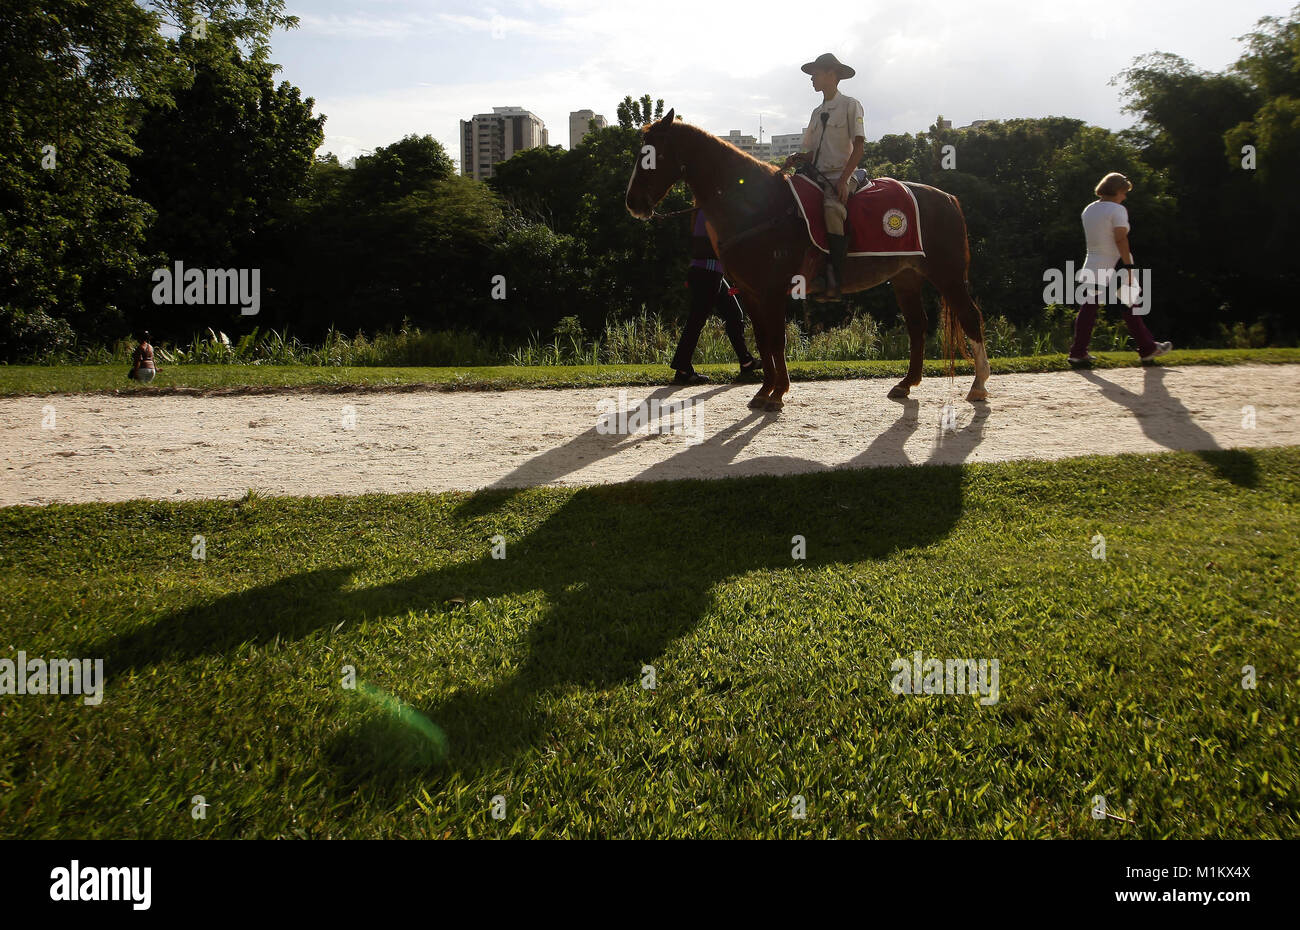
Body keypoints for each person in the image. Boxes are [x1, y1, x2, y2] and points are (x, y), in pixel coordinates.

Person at [780, 52, 866, 298]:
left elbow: (859, 147)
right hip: (815, 175)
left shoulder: (851, 105)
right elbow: (813, 152)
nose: (812, 79)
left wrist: (843, 180)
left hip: (842, 173)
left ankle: (834, 278)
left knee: (831, 208)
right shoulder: (817, 112)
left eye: (815, 74)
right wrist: (798, 158)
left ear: (832, 74)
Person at [1068, 172, 1171, 364]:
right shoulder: (1117, 210)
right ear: (1116, 191)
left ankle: (1078, 352)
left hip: (1093, 263)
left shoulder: (1089, 210)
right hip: (1115, 264)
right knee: (1131, 304)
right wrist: (1129, 265)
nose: (1124, 197)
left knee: (1088, 308)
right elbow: (1120, 238)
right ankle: (1147, 348)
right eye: (1124, 192)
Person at [669, 209, 762, 385]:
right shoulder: (709, 211)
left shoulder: (705, 211)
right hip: (707, 275)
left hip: (710, 274)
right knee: (696, 321)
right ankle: (682, 370)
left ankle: (746, 361)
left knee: (734, 314)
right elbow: (718, 245)